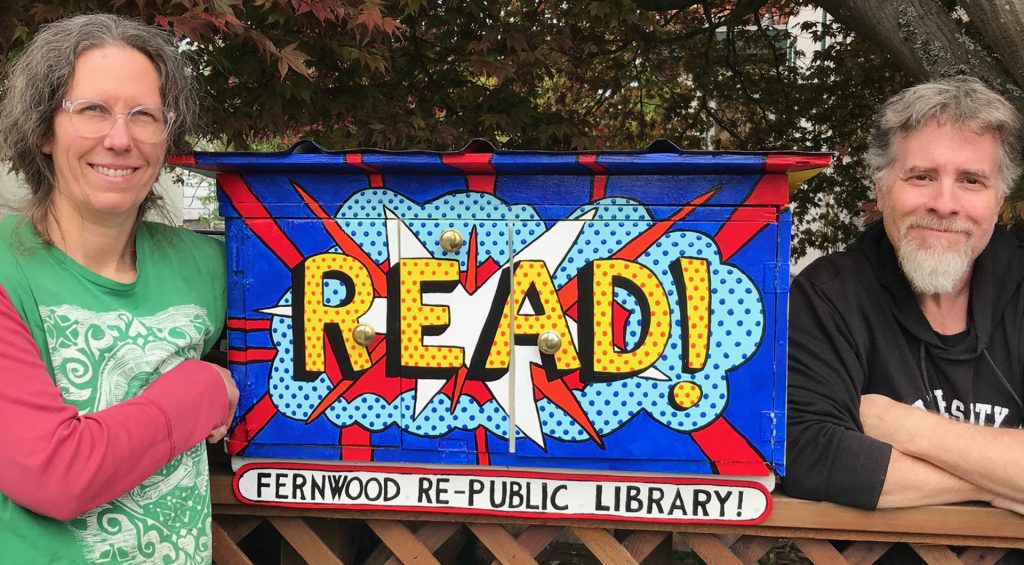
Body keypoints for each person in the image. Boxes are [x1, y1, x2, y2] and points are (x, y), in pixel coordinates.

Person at [0, 14, 239, 564]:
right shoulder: (8, 270)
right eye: (92, 110)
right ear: (43, 128)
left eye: (145, 115)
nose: (119, 138)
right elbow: (55, 475)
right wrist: (203, 390)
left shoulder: (211, 268)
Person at [784, 76, 1024, 513]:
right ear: (880, 188)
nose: (944, 203)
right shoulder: (829, 295)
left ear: (999, 199)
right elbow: (805, 452)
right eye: (922, 176)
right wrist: (999, 481)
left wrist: (906, 428)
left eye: (971, 181)